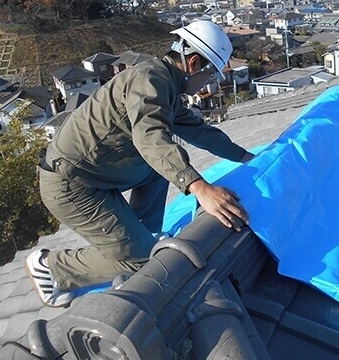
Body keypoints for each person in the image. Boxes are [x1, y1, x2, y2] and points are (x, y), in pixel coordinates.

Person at [26, 20, 255, 307]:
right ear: (194, 63)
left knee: (162, 167)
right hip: (72, 185)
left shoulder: (165, 83)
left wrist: (247, 158)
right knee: (145, 261)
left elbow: (199, 132)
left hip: (96, 174)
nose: (210, 83)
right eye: (211, 74)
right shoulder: (150, 80)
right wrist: (200, 188)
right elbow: (150, 138)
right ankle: (54, 267)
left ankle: (141, 236)